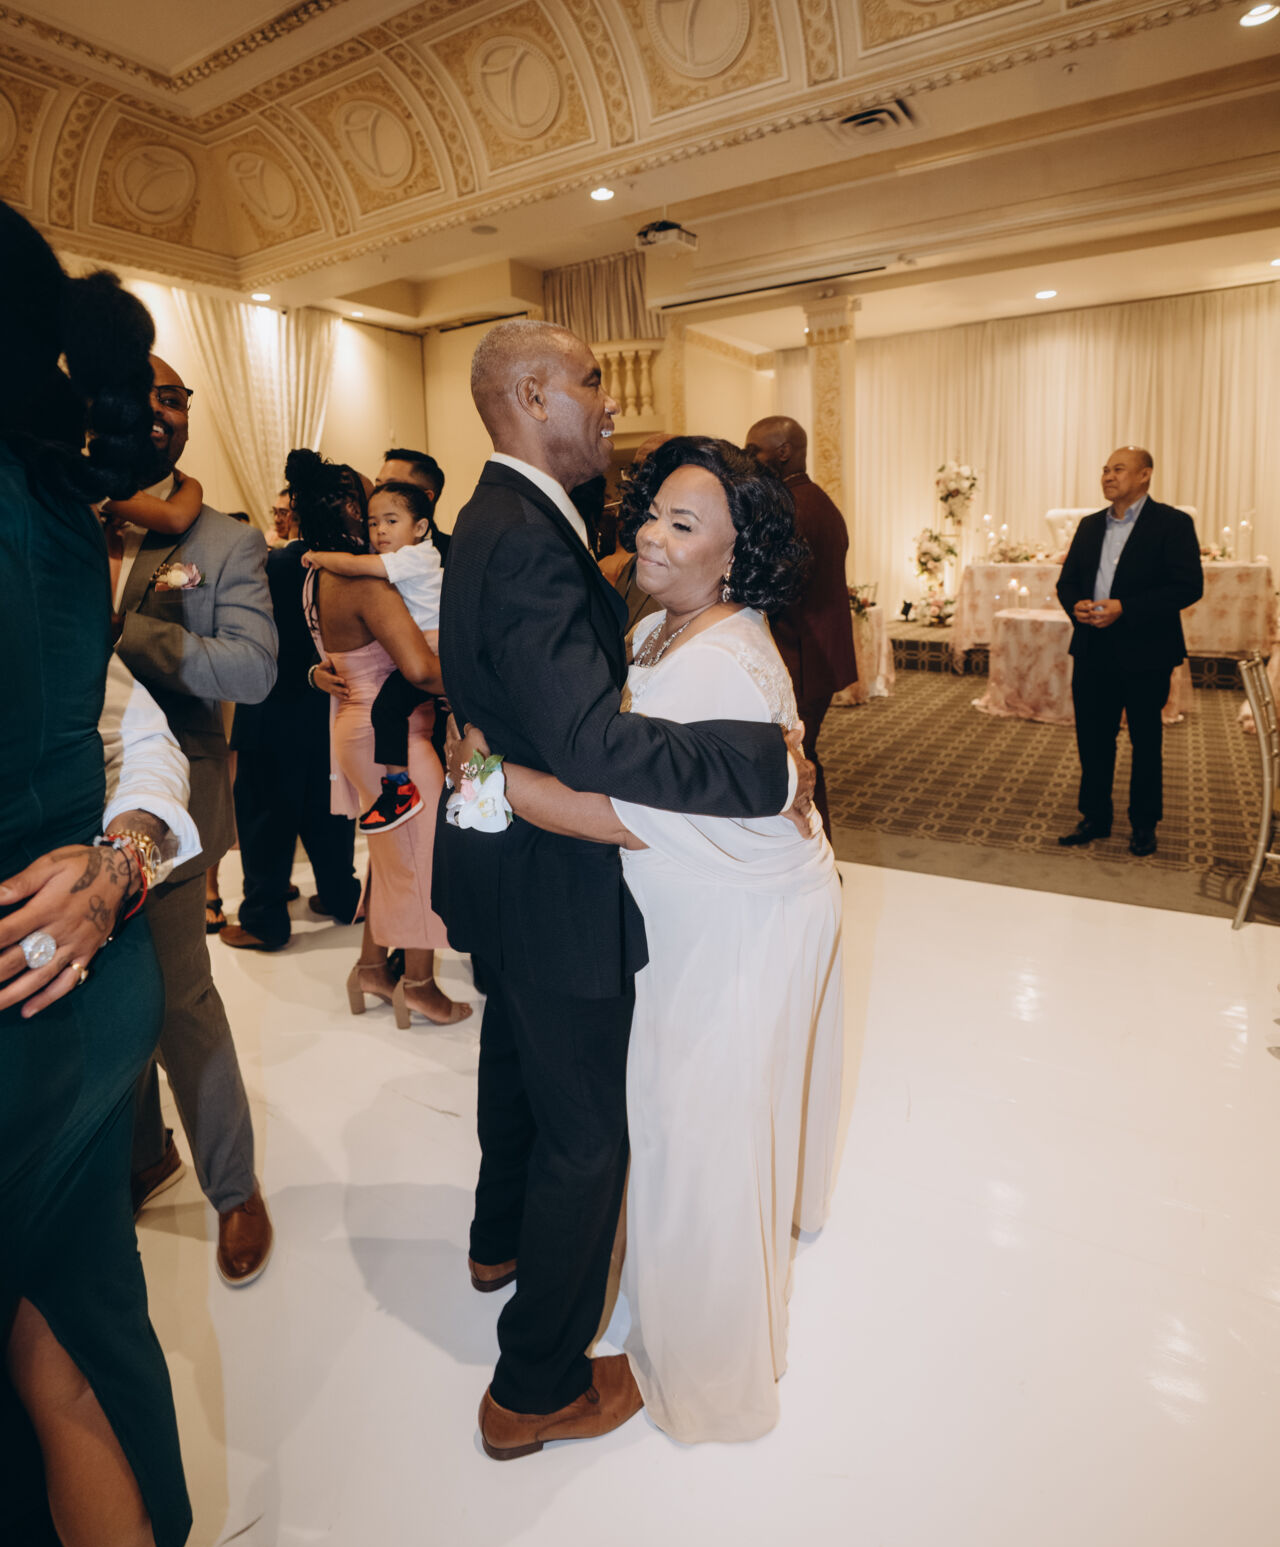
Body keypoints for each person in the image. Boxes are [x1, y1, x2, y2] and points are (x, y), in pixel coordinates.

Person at [432, 318, 812, 1462]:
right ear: (534, 395)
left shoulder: (498, 515)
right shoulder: (525, 535)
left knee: (514, 1063)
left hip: (504, 862)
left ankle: (496, 1242)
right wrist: (761, 766)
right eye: (592, 381)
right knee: (588, 1137)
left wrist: (485, 769)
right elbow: (591, 745)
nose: (609, 400)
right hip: (551, 884)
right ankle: (533, 1387)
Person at [0, 202, 193, 1547]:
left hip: (38, 1004)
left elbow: (153, 725)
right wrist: (124, 854)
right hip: (64, 996)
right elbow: (124, 724)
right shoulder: (60, 512)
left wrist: (120, 866)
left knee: (62, 1358)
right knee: (64, 1354)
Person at [113, 353, 278, 1286]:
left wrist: (130, 635)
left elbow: (252, 670)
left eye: (174, 398)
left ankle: (235, 1187)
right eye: (141, 396)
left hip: (173, 798)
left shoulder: (222, 541)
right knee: (105, 988)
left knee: (180, 994)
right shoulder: (64, 514)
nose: (160, 412)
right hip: (67, 793)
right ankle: (145, 1154)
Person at [288, 449, 468, 1028]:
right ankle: (419, 984)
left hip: (354, 729)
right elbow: (419, 670)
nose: (377, 518)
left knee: (394, 856)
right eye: (369, 507)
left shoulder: (318, 576)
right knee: (423, 860)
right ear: (349, 512)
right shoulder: (366, 583)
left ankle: (371, 967)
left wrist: (317, 674)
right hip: (390, 735)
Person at [219, 526, 363, 951]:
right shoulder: (355, 567)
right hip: (333, 706)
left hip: (271, 704)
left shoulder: (273, 565)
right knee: (330, 807)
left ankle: (265, 919)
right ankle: (342, 897)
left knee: (265, 814)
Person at [1056, 447, 1203, 856]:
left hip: (1146, 649)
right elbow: (1067, 582)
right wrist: (1076, 605)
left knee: (1145, 739)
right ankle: (1095, 816)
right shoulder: (1089, 526)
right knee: (1093, 738)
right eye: (1105, 469)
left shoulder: (1172, 524)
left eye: (1118, 469)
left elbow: (1188, 586)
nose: (1108, 476)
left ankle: (1144, 823)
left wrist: (1126, 608)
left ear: (1144, 475)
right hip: (1093, 647)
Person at [302, 480, 443, 835]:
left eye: (391, 521)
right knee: (387, 709)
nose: (380, 531)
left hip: (434, 652)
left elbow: (354, 565)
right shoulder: (399, 562)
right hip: (412, 674)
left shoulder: (413, 557)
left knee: (389, 710)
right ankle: (398, 787)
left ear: (420, 527)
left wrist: (320, 558)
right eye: (373, 522)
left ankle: (398, 788)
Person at [745, 416, 857, 838]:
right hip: (815, 650)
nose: (748, 458)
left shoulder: (792, 509)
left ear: (783, 451)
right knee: (799, 757)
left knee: (798, 761)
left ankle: (817, 848)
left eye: (754, 450)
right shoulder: (816, 500)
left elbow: (775, 589)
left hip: (802, 653)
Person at [600, 429, 669, 635]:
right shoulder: (633, 563)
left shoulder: (685, 561)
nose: (638, 482)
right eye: (635, 471)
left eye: (650, 471)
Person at [379, 447, 450, 562]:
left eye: (392, 487)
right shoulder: (364, 546)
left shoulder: (454, 553)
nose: (379, 494)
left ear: (426, 497)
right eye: (378, 486)